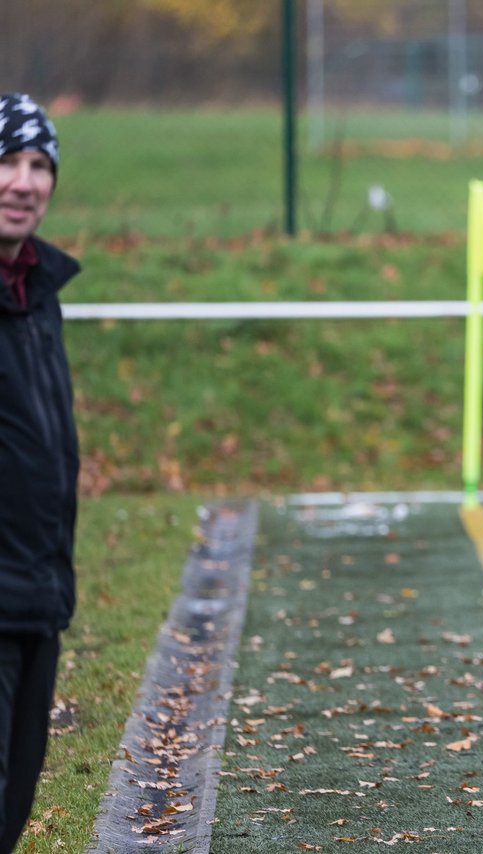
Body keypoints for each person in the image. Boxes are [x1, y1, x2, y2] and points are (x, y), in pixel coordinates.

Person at [0, 93, 80, 854]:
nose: (24, 181)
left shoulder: (38, 292)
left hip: (37, 598)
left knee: (15, 802)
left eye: (38, 164)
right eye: (8, 161)